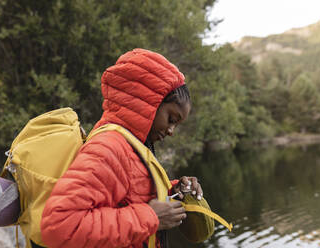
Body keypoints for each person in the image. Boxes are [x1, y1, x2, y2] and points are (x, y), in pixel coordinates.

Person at [40, 48, 203, 248]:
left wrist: (173, 191)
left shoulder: (131, 146)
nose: (171, 131)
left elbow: (129, 194)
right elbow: (59, 227)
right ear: (148, 102)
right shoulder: (107, 148)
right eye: (171, 119)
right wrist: (151, 217)